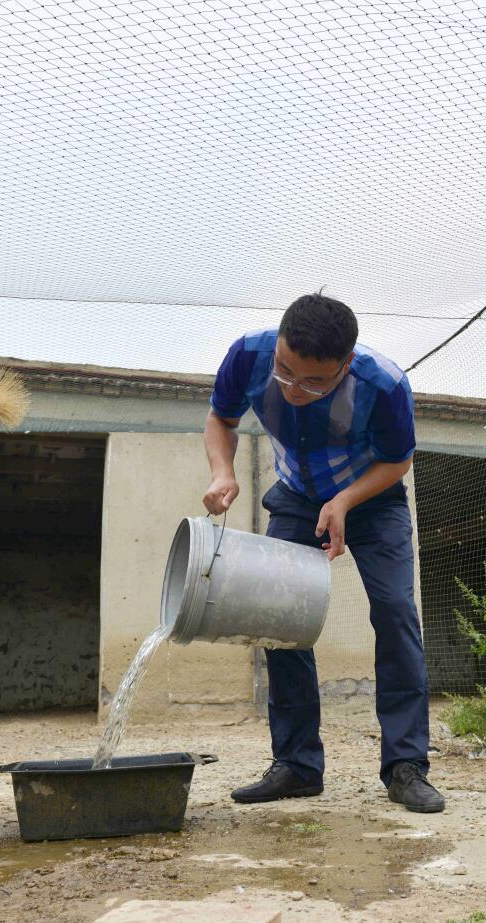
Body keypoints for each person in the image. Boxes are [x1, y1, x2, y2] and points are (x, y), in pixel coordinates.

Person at [202, 292, 445, 813]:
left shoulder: (385, 384)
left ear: (345, 367)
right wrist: (223, 471)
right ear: (279, 347)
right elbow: (220, 420)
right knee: (278, 617)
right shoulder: (247, 354)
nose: (294, 390)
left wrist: (345, 499)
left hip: (373, 498)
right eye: (286, 373)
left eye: (314, 381)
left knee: (396, 612)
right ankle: (296, 765)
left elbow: (397, 462)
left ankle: (406, 766)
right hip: (294, 495)